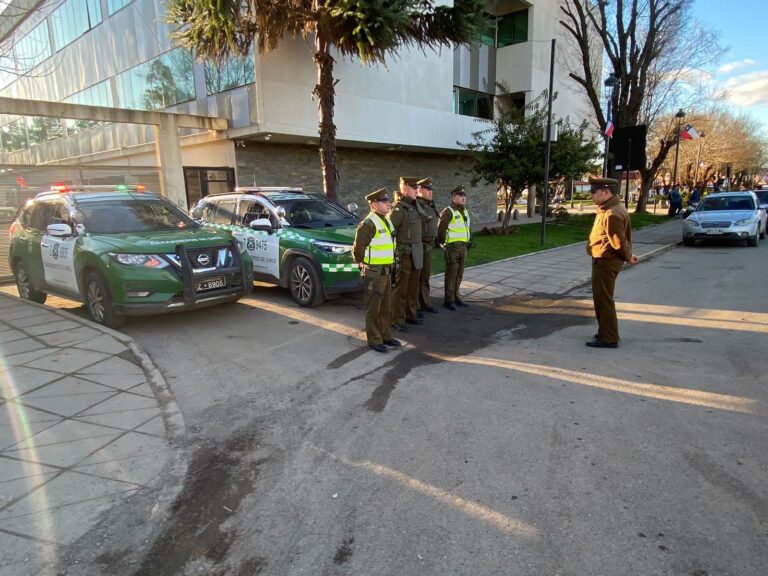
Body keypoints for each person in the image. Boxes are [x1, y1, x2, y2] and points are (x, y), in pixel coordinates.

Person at [585, 177, 638, 349]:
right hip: (605, 260)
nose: (591, 195)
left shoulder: (612, 213)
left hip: (606, 261)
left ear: (606, 192)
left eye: (594, 192)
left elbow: (618, 241)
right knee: (602, 298)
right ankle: (605, 331)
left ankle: (608, 338)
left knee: (604, 300)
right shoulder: (609, 208)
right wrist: (628, 255)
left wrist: (628, 256)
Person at [352, 188, 401, 353]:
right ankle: (374, 339)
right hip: (373, 271)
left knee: (386, 306)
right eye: (384, 201)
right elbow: (358, 250)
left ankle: (385, 335)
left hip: (386, 270)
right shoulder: (368, 223)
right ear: (374, 205)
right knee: (373, 307)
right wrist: (364, 264)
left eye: (388, 201)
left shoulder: (386, 219)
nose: (388, 204)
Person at [389, 177, 426, 331]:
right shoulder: (398, 209)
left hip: (416, 252)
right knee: (401, 288)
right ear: (404, 188)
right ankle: (397, 319)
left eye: (416, 187)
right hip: (404, 253)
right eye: (412, 187)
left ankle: (410, 314)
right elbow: (390, 232)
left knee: (413, 287)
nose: (416, 189)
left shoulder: (415, 205)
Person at [437, 185, 471, 311]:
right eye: (460, 196)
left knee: (459, 274)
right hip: (452, 248)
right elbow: (440, 230)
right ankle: (448, 300)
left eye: (464, 196)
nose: (463, 198)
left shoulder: (464, 211)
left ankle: (457, 297)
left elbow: (466, 228)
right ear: (454, 197)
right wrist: (442, 243)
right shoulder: (448, 211)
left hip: (463, 247)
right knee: (451, 275)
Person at [416, 177, 440, 316]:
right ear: (419, 190)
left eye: (431, 189)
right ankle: (416, 306)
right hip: (419, 245)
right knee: (416, 278)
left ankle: (425, 302)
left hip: (429, 245)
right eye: (428, 189)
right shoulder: (417, 205)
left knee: (425, 276)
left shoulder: (430, 204)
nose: (431, 192)